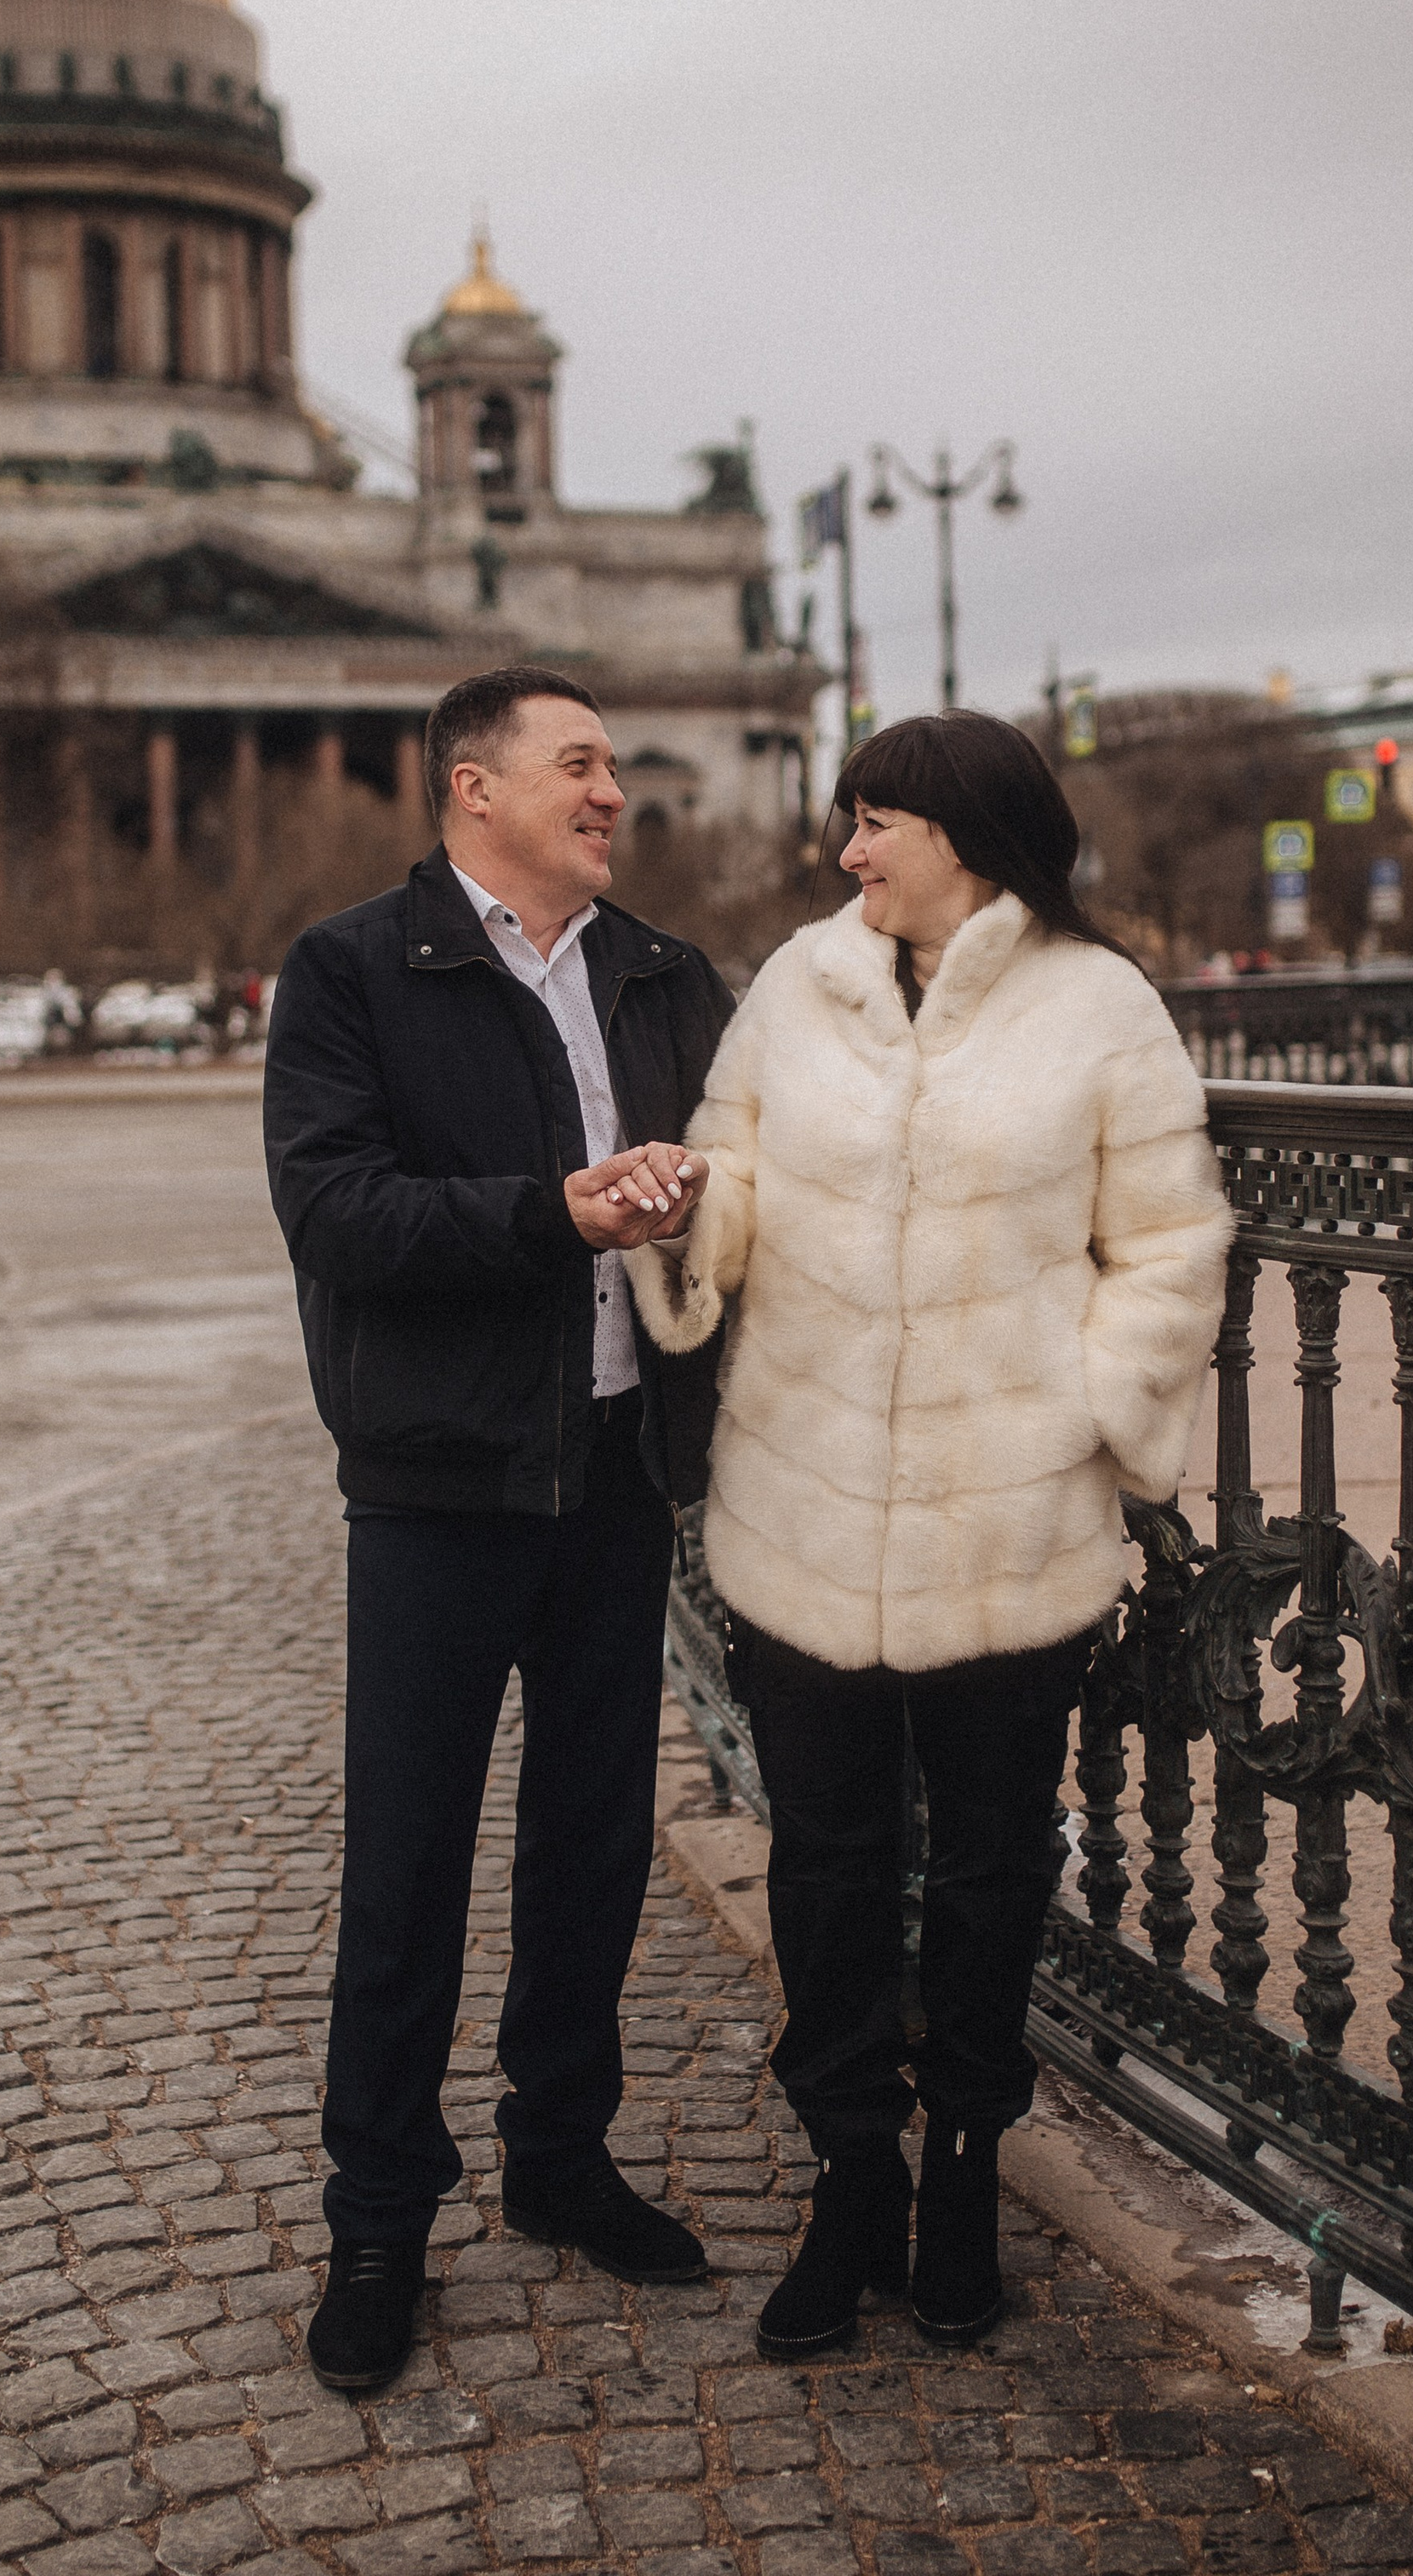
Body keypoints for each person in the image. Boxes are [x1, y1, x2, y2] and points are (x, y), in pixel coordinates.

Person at [625, 710, 1232, 2354]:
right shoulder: (792, 989)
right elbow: (735, 1189)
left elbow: (1169, 1245)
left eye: (873, 819)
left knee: (986, 1868)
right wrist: (687, 1213)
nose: (847, 851)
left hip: (1011, 1528)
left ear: (963, 830)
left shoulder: (1100, 1005)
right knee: (820, 1867)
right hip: (800, 1513)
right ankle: (849, 2182)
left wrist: (1085, 1420)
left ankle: (963, 2169)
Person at [263, 667, 735, 2392]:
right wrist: (553, 1214)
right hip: (437, 1485)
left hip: (615, 1476)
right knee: (407, 1869)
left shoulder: (665, 974)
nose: (612, 791)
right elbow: (334, 1214)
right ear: (477, 792)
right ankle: (379, 2215)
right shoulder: (349, 970)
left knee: (590, 1846)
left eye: (613, 764)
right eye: (579, 764)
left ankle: (559, 2159)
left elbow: (745, 1186)